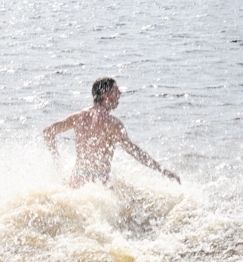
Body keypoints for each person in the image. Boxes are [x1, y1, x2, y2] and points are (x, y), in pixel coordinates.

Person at [43, 77, 181, 188]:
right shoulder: (113, 123)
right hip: (99, 183)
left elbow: (48, 131)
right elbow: (133, 151)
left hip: (76, 179)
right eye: (116, 91)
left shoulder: (77, 117)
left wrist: (57, 160)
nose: (120, 93)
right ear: (106, 95)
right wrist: (162, 170)